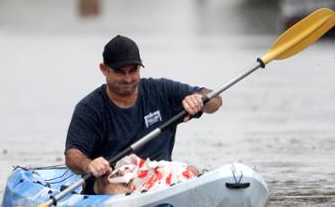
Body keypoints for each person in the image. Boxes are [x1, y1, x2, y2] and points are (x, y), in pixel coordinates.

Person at [65, 35, 222, 194]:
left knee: (192, 169)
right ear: (104, 69)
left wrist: (201, 100)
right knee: (106, 184)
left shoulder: (161, 91)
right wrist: (89, 164)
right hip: (114, 180)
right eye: (120, 72)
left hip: (158, 174)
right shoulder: (89, 108)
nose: (128, 79)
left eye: (133, 71)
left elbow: (216, 100)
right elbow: (72, 155)